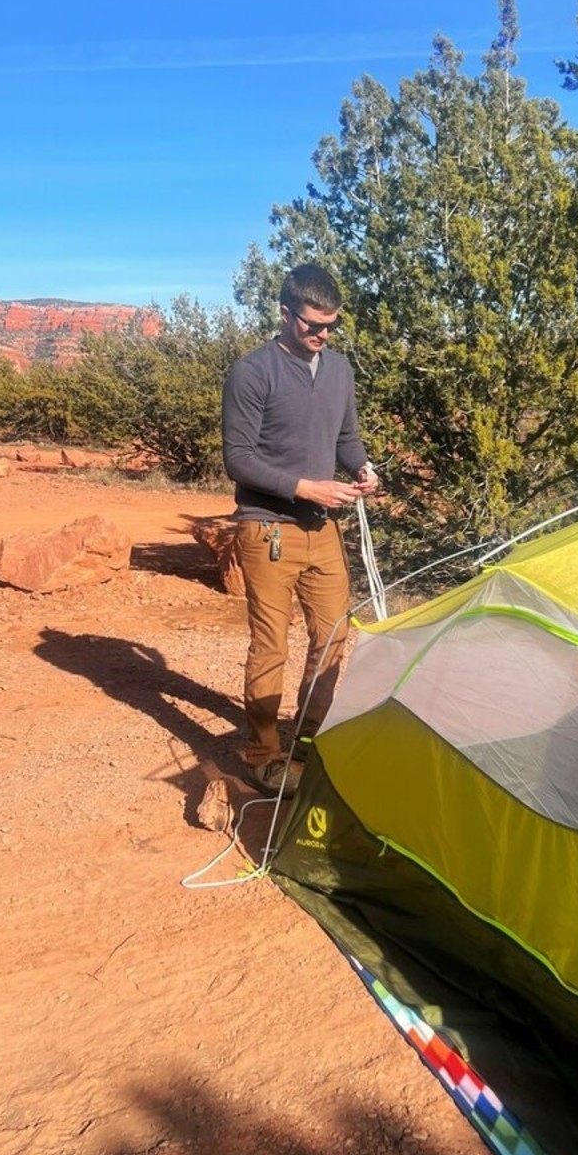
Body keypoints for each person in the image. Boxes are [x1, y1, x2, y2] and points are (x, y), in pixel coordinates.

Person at [222, 264, 378, 796]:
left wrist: (362, 467)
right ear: (286, 313)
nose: (322, 335)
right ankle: (263, 755)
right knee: (271, 644)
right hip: (268, 530)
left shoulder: (339, 369)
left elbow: (346, 437)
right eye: (313, 324)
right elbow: (238, 460)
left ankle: (309, 741)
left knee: (333, 635)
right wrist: (305, 488)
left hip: (323, 527)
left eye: (332, 325)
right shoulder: (252, 372)